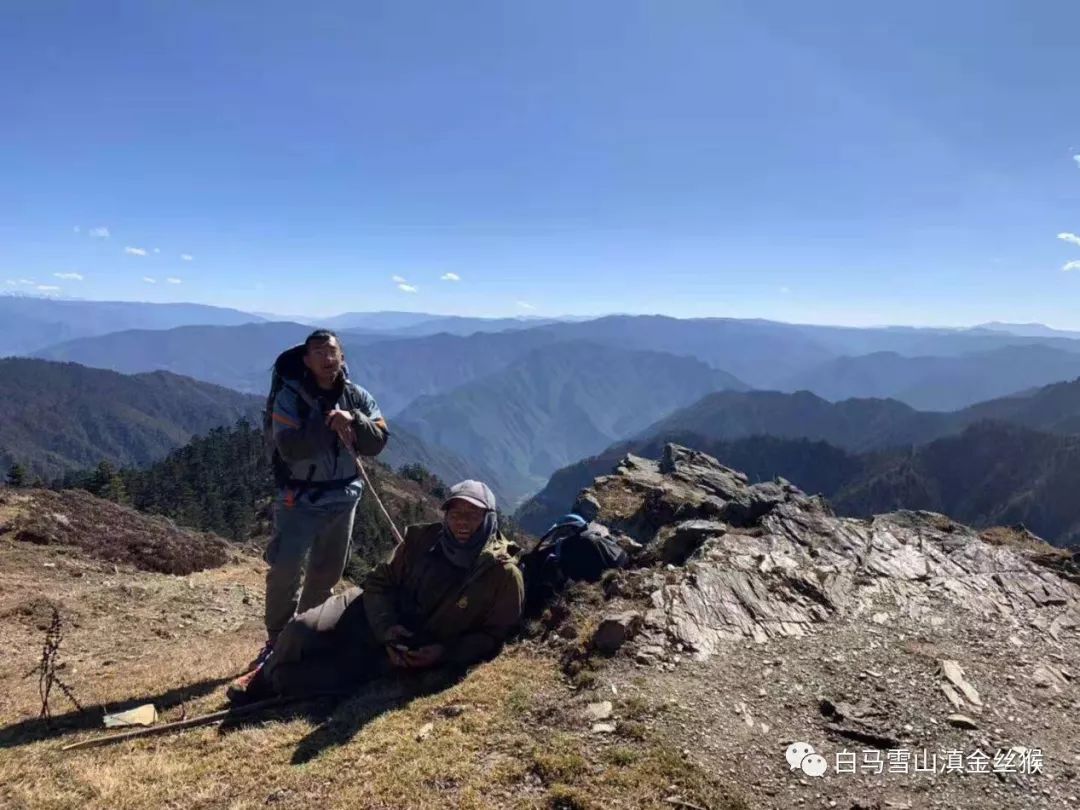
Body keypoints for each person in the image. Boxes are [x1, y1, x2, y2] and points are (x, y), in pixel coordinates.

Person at [231, 480, 524, 701]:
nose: (461, 521)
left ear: (489, 519)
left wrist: (443, 653)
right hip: (376, 611)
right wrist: (386, 627)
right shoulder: (422, 540)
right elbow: (379, 582)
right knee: (299, 628)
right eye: (455, 513)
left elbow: (497, 635)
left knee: (306, 678)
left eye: (472, 515)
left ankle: (276, 681)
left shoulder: (501, 573)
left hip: (416, 648)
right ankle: (259, 677)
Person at [252, 329, 389, 670]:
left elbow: (379, 440)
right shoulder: (290, 398)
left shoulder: (358, 397)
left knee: (326, 571)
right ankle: (276, 638)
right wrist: (328, 423)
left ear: (342, 357)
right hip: (299, 496)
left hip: (344, 495)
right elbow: (291, 447)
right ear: (306, 360)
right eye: (318, 352)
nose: (327, 359)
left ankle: (306, 635)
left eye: (332, 352)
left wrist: (354, 420)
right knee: (285, 567)